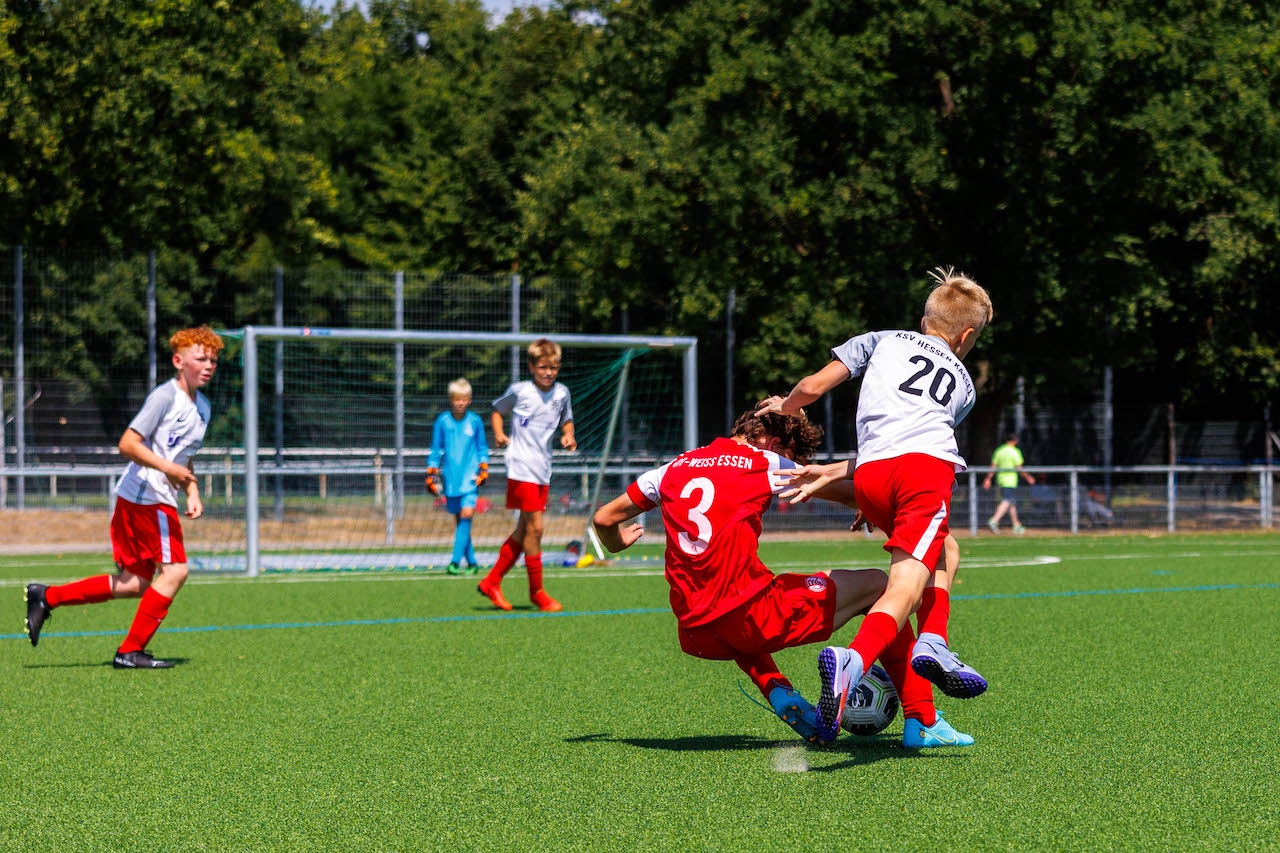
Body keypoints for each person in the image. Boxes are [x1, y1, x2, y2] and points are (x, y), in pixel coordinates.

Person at [592, 408, 973, 748]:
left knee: (736, 599)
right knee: (879, 586)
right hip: (754, 618)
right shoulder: (763, 461)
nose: (796, 467)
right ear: (770, 440)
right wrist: (868, 503)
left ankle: (775, 688)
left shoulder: (672, 468)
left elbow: (604, 518)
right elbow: (847, 491)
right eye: (793, 456)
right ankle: (922, 718)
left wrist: (617, 542)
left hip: (695, 630)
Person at [759, 266, 993, 741]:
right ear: (967, 336)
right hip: (924, 473)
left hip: (871, 476)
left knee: (944, 549)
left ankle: (922, 715)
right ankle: (862, 659)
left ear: (923, 320)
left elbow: (813, 387)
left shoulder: (881, 340)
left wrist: (788, 406)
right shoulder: (965, 386)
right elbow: (919, 440)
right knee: (907, 583)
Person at [23, 325, 224, 669]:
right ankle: (130, 651)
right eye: (201, 358)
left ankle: (47, 596)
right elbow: (128, 444)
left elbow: (181, 455)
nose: (208, 366)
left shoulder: (203, 407)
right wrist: (169, 470)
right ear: (178, 361)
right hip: (147, 498)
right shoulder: (165, 397)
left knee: (134, 584)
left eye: (213, 360)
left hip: (147, 498)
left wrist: (191, 489)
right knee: (176, 572)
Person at [478, 338, 576, 613]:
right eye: (543, 367)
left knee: (524, 530)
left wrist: (568, 435)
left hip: (543, 469)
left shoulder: (562, 393)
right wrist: (499, 434)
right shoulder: (520, 391)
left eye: (553, 367)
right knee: (537, 528)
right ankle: (537, 593)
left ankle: (491, 582)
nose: (548, 372)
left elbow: (567, 420)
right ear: (532, 366)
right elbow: (497, 411)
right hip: (521, 466)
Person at [426, 378, 490, 575]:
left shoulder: (475, 421)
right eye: (457, 399)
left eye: (464, 399)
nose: (460, 403)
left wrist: (483, 468)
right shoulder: (442, 421)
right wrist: (431, 472)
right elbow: (435, 449)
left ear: (469, 400)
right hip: (451, 480)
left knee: (467, 515)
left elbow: (482, 448)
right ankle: (472, 563)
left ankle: (454, 562)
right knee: (460, 521)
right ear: (450, 399)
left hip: (470, 479)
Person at [984, 433, 1035, 534]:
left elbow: (993, 466)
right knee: (1007, 500)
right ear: (1015, 441)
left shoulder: (999, 450)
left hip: (1000, 480)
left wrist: (988, 478)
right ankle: (994, 520)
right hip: (1010, 481)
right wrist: (1028, 477)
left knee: (1011, 503)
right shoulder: (1015, 451)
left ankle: (1016, 525)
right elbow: (1019, 467)